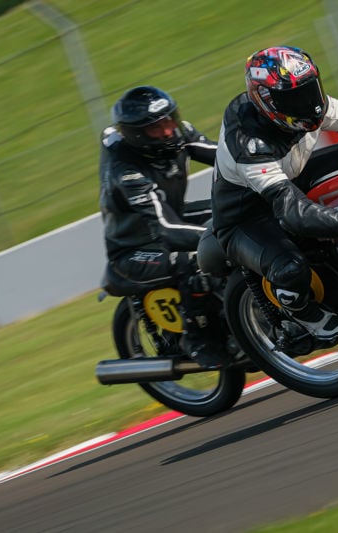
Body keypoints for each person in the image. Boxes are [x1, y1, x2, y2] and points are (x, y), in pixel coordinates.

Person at [210, 46, 338, 343]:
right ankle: (300, 313)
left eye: (309, 90)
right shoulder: (249, 144)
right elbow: (293, 213)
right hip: (248, 216)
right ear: (266, 101)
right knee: (291, 269)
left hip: (294, 178)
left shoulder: (309, 107)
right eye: (294, 98)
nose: (309, 104)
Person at [99, 85, 227, 368]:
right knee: (192, 259)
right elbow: (166, 229)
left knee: (236, 211)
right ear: (137, 135)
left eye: (169, 120)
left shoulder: (179, 134)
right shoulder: (128, 172)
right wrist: (222, 237)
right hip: (136, 249)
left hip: (172, 219)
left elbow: (226, 158)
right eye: (156, 128)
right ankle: (200, 339)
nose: (168, 131)